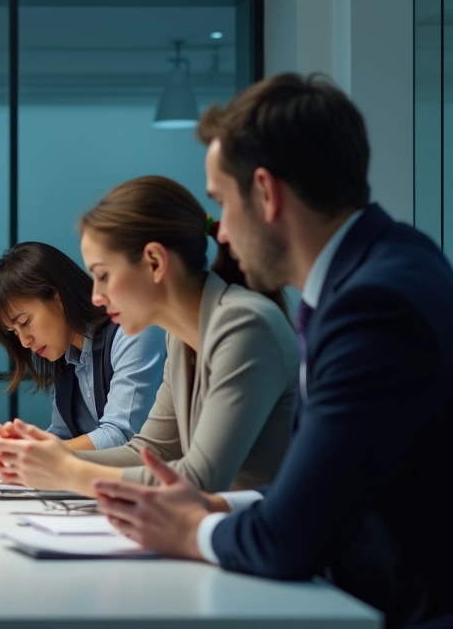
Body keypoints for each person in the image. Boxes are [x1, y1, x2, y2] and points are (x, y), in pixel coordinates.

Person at [89, 74, 453, 629]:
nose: (222, 234)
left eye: (222, 204)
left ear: (265, 192)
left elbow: (292, 538)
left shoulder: (374, 308)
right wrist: (217, 507)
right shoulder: (388, 265)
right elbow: (318, 492)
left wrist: (191, 529)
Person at [0, 175, 297, 496]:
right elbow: (150, 451)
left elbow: (201, 478)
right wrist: (52, 456)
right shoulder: (181, 338)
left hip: (264, 538)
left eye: (103, 275)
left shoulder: (242, 325)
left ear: (154, 262)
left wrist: (66, 469)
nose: (96, 297)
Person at [0, 242, 166, 451]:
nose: (24, 342)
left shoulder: (131, 330)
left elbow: (122, 435)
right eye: (14, 332)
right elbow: (63, 433)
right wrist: (25, 444)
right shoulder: (65, 354)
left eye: (25, 323)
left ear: (57, 295)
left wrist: (40, 453)